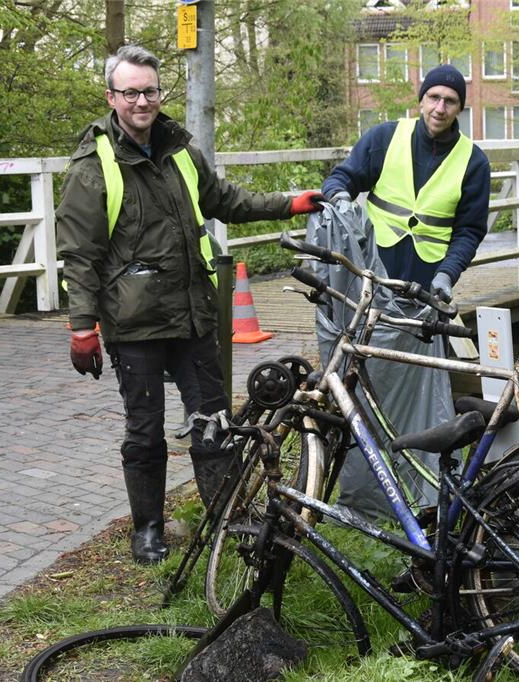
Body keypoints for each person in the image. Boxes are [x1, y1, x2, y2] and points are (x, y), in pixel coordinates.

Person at [56, 44, 324, 565]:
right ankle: (149, 529)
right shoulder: (94, 167)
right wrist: (82, 327)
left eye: (150, 91)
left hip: (193, 313)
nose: (142, 101)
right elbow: (79, 255)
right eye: (130, 92)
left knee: (214, 420)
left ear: (160, 93)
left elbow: (224, 200)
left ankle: (226, 516)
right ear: (111, 97)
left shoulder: (180, 150)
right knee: (144, 428)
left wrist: (289, 203)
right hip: (133, 323)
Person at [321, 64, 490, 300]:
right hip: (372, 265)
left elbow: (469, 231)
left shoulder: (474, 162)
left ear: (460, 108)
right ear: (422, 100)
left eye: (450, 101)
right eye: (434, 97)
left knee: (421, 336)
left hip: (429, 276)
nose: (439, 108)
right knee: (365, 335)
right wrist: (340, 199)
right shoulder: (386, 137)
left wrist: (447, 274)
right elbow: (342, 178)